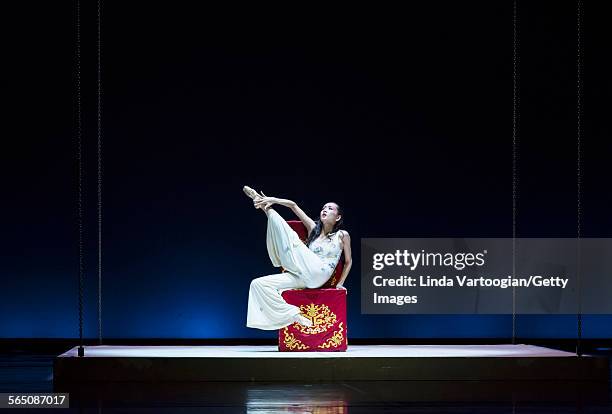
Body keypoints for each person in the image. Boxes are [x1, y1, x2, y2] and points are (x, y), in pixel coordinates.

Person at [243, 186, 352, 330]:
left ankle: (263, 205)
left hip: (319, 274)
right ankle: (292, 314)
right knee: (258, 284)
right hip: (303, 275)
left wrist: (340, 283)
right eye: (324, 207)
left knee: (293, 239)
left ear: (338, 217)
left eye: (330, 208)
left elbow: (348, 261)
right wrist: (274, 200)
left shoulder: (342, 235)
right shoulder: (313, 229)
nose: (325, 209)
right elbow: (293, 206)